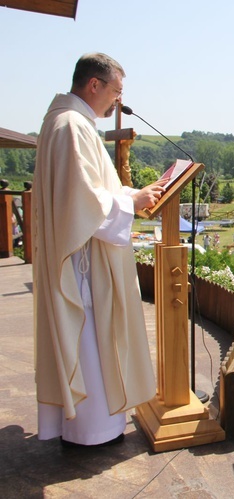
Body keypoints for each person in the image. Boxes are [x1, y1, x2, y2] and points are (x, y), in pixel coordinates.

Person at [33, 53, 166, 447]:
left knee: (93, 343)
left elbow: (91, 191)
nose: (117, 101)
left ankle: (89, 425)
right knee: (91, 342)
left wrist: (132, 195)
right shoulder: (72, 126)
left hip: (81, 257)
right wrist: (132, 203)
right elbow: (83, 204)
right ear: (94, 84)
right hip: (83, 266)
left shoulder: (68, 122)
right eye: (115, 91)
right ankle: (92, 431)